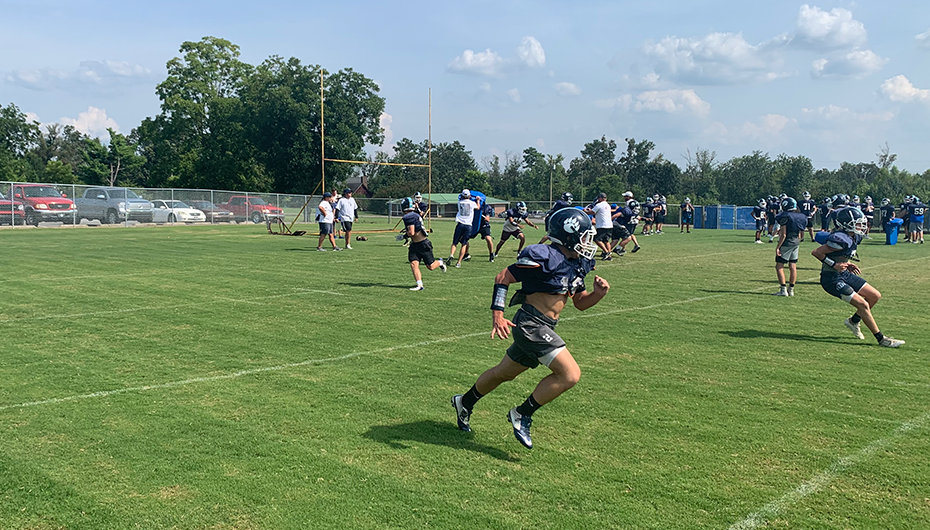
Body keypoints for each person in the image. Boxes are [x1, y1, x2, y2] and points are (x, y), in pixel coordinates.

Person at [450, 207, 609, 449]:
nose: (590, 242)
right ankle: (522, 413)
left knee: (504, 373)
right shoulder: (546, 256)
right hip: (530, 323)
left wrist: (598, 295)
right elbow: (503, 276)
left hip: (545, 325)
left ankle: (465, 402)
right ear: (569, 235)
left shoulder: (577, 262)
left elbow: (580, 303)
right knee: (570, 374)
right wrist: (498, 315)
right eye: (585, 236)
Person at [811, 207, 904, 347]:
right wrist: (834, 264)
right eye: (858, 223)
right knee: (863, 304)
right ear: (846, 223)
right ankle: (881, 339)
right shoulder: (840, 238)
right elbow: (817, 252)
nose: (861, 226)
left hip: (844, 274)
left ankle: (853, 321)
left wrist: (847, 263)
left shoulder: (854, 236)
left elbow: (842, 255)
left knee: (874, 296)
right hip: (831, 278)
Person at [401, 197, 446, 290]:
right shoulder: (414, 214)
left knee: (431, 266)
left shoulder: (409, 216)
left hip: (423, 244)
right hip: (414, 244)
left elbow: (412, 232)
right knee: (413, 264)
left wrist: (404, 235)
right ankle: (419, 285)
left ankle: (440, 262)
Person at [773, 197, 807, 296]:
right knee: (792, 266)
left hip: (787, 242)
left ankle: (783, 290)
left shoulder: (785, 216)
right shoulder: (801, 216)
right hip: (796, 241)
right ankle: (791, 290)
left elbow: (783, 234)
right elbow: (801, 233)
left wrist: (778, 247)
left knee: (779, 266)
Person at [449, 189, 478, 268]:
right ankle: (458, 262)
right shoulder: (472, 203)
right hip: (468, 225)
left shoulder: (459, 203)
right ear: (469, 196)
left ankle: (451, 254)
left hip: (460, 224)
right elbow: (478, 207)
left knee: (455, 242)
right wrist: (478, 200)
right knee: (464, 244)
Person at [585, 192, 614, 260]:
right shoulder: (608, 205)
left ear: (601, 198)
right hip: (609, 225)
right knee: (606, 241)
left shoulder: (599, 205)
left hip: (602, 225)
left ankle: (606, 252)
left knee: (596, 239)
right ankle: (609, 255)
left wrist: (585, 211)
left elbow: (592, 212)